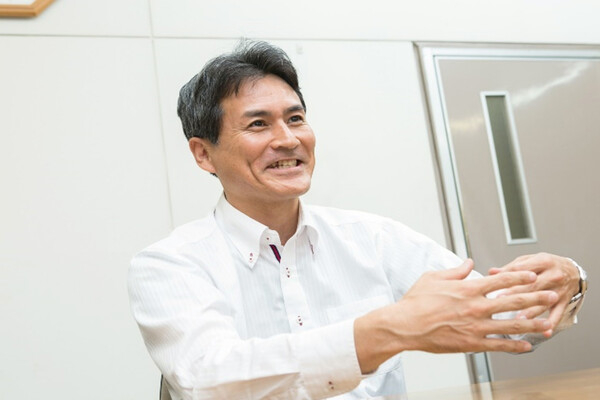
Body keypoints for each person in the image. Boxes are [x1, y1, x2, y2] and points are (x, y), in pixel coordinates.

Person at [128, 41, 587, 400]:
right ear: (203, 153)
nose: (287, 139)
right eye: (258, 124)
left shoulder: (373, 239)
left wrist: (567, 281)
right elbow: (210, 380)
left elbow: (505, 320)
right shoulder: (170, 264)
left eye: (296, 118)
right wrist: (389, 329)